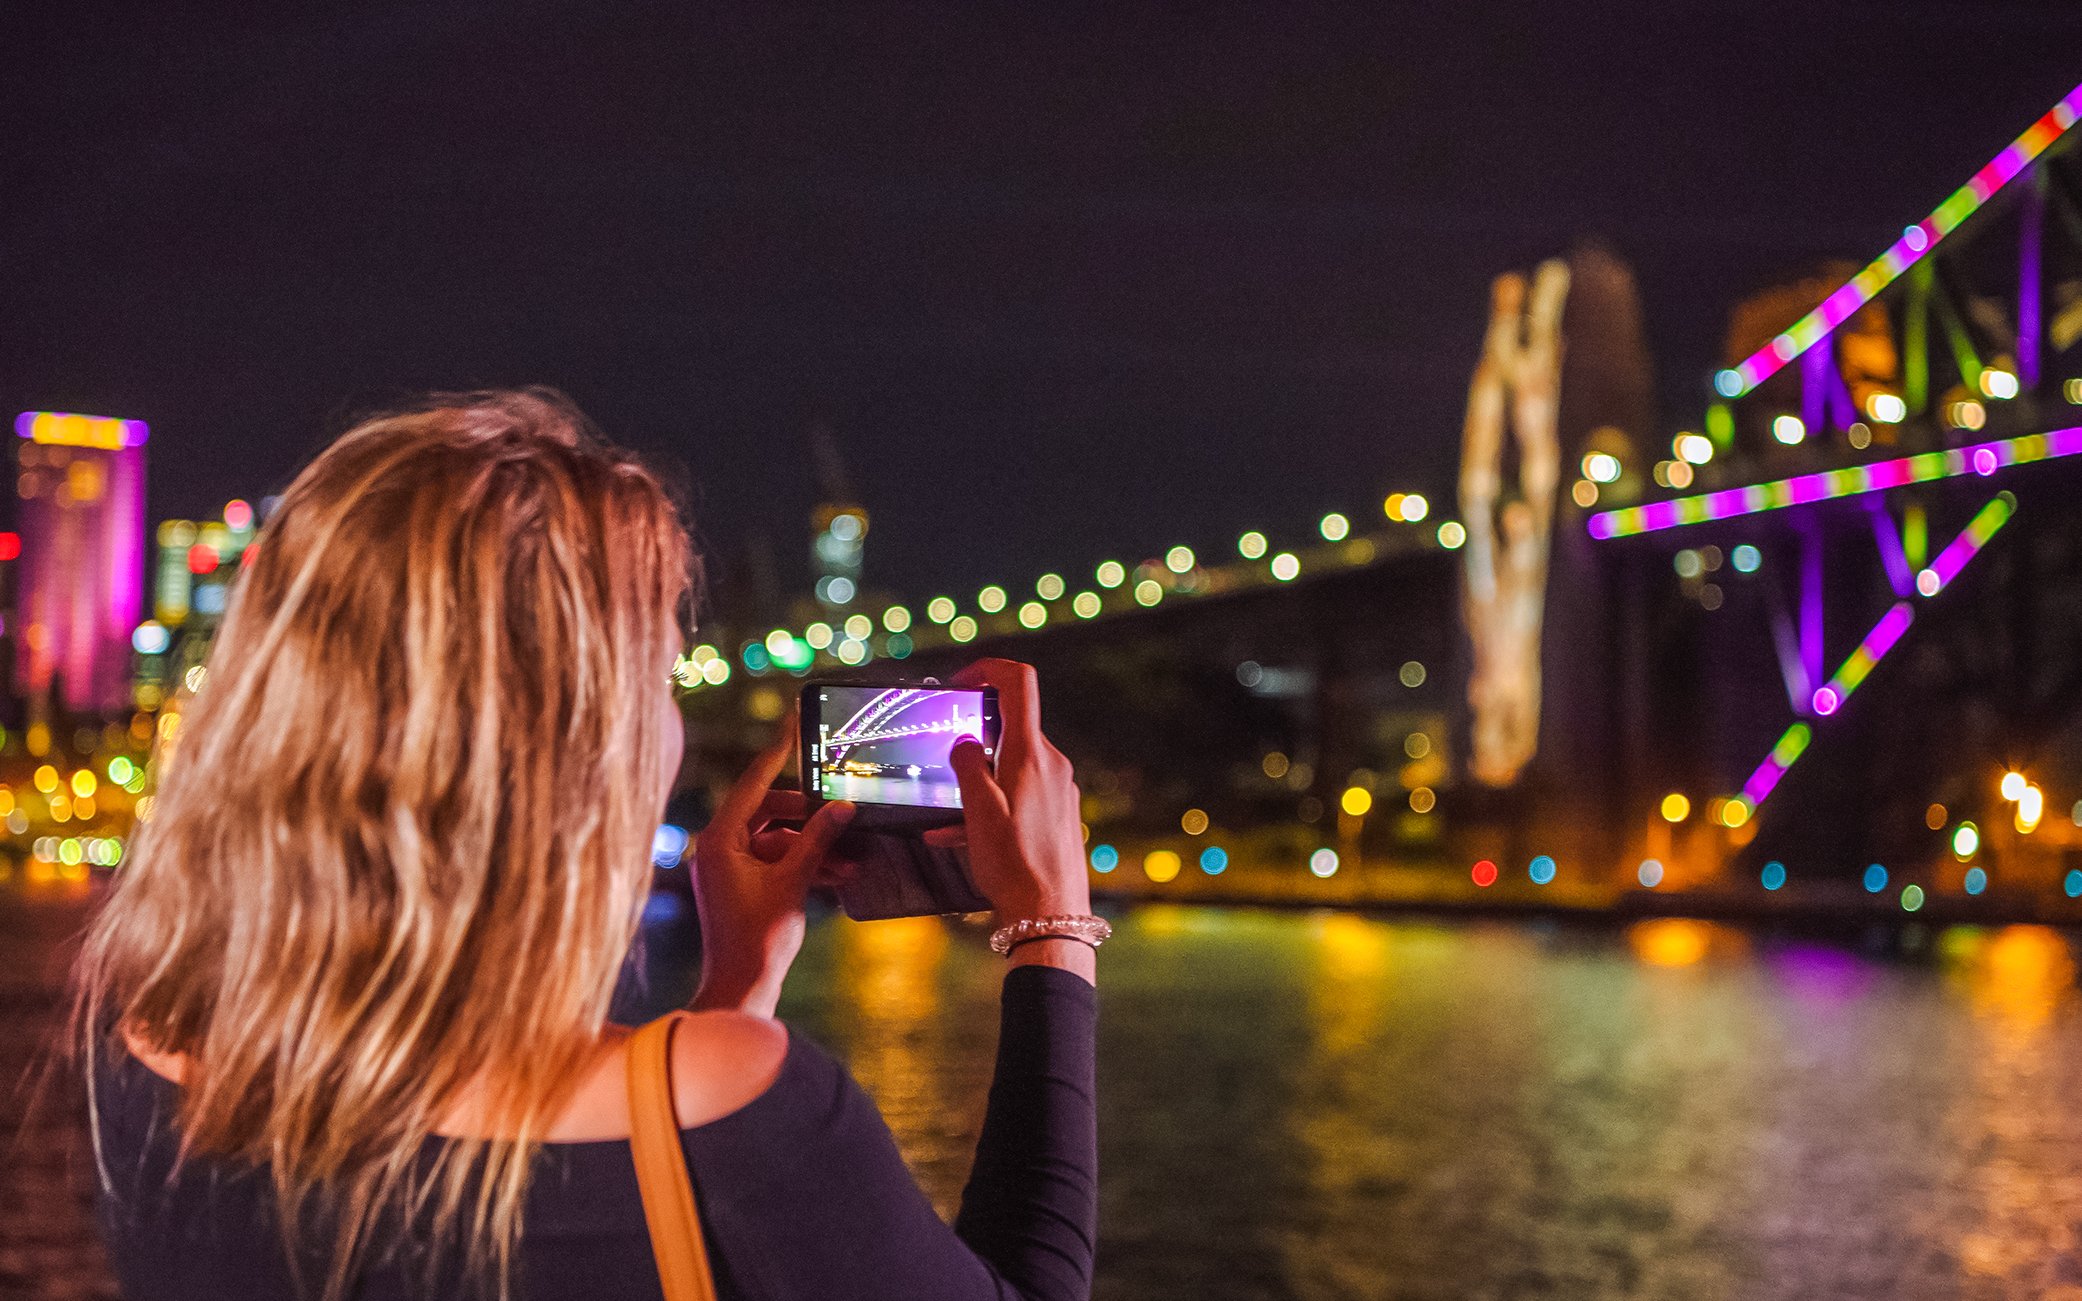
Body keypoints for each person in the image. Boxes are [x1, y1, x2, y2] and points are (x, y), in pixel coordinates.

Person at [74, 389, 1100, 1300]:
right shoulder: (756, 1111)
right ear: (572, 739)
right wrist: (1052, 930)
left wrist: (734, 985)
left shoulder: (150, 1047)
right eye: (655, 672)